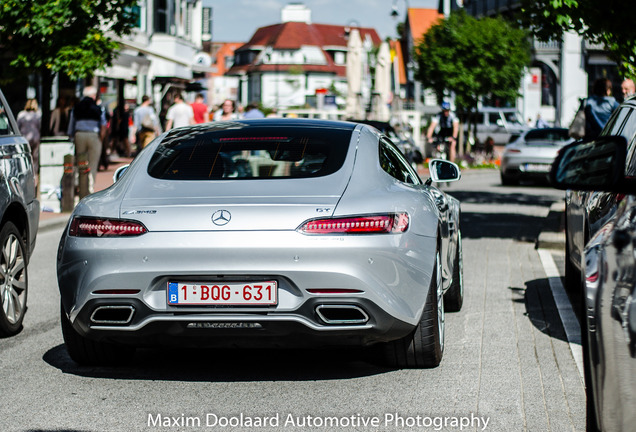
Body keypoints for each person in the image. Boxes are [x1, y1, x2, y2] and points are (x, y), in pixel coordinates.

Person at [67, 85, 107, 194]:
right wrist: (101, 139)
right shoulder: (99, 108)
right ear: (93, 96)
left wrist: (71, 136)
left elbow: (71, 125)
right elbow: (103, 125)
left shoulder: (76, 107)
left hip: (79, 135)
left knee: (80, 161)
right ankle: (89, 188)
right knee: (93, 163)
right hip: (94, 135)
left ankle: (78, 184)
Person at [16, 98, 42, 178]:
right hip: (35, 138)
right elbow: (39, 127)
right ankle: (34, 175)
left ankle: (26, 173)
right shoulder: (38, 115)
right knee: (35, 158)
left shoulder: (21, 114)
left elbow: (17, 127)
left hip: (24, 139)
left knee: (25, 157)